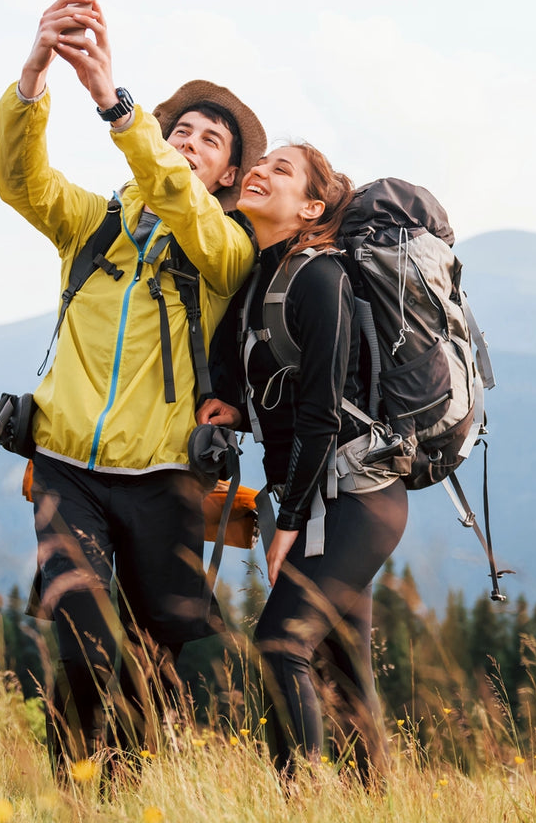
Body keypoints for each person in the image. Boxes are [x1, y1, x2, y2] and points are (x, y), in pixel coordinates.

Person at [0, 0, 263, 768]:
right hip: (68, 467)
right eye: (181, 129)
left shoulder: (223, 250)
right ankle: (77, 792)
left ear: (226, 176)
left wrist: (118, 107)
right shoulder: (92, 225)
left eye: (209, 142)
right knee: (82, 637)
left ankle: (133, 790)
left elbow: (177, 197)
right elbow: (21, 181)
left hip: (162, 477)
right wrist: (33, 81)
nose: (188, 144)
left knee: (154, 657)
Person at [197, 144, 407, 783]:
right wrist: (231, 410)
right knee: (343, 667)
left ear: (312, 207)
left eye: (280, 170)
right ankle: (374, 801)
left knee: (279, 646)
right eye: (258, 164)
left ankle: (298, 802)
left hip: (356, 498)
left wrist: (287, 520)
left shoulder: (320, 277)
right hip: (316, 494)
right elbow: (270, 390)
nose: (259, 170)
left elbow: (320, 413)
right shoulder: (259, 277)